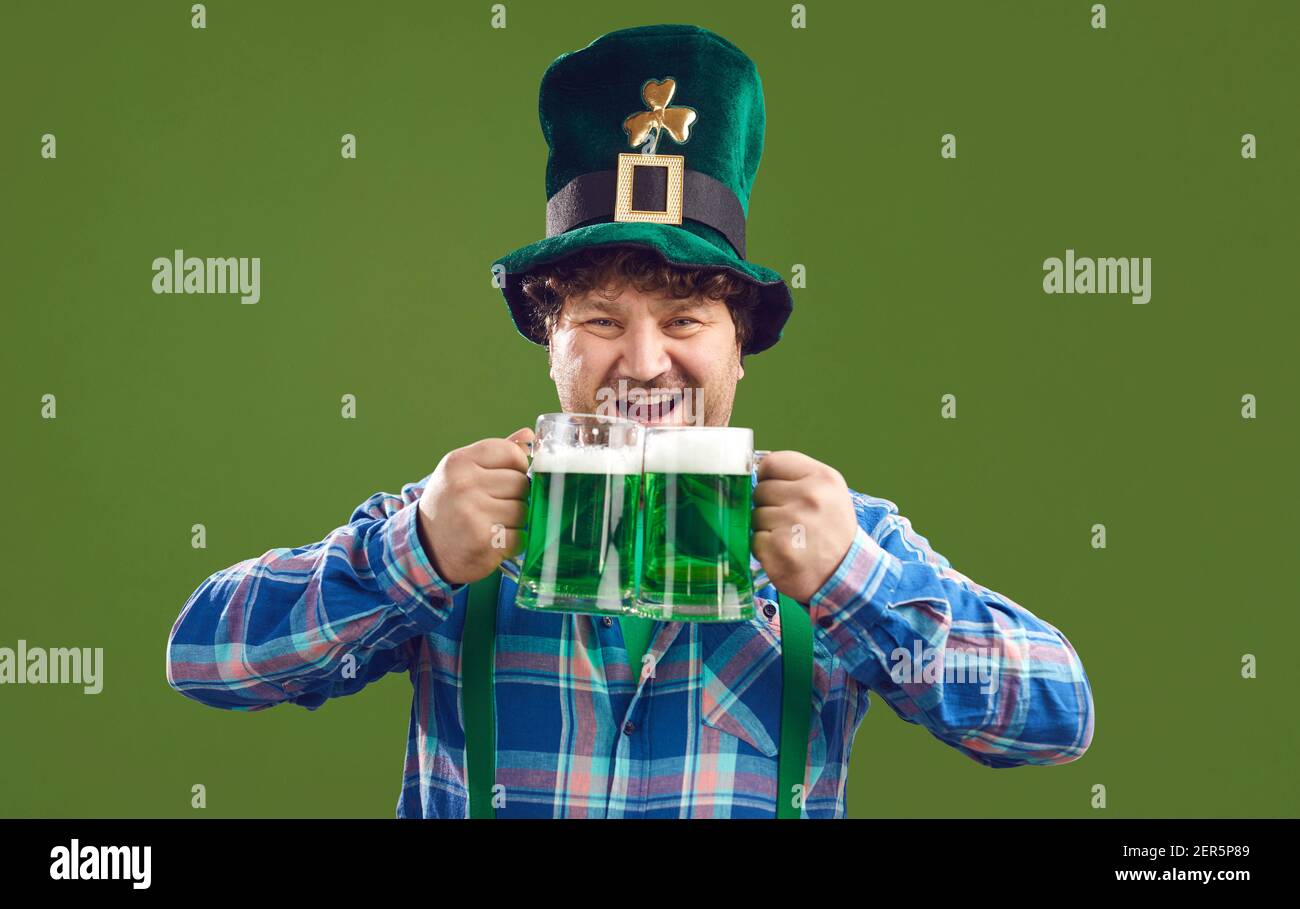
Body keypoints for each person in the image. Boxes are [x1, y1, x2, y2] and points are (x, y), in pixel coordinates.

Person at [166, 24, 1094, 818]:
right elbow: (206, 657)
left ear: (740, 345)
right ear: (549, 339)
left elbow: (1056, 716)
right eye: (601, 320)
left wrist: (858, 581)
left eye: (685, 320)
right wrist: (414, 550)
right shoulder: (459, 527)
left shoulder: (839, 539)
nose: (645, 362)